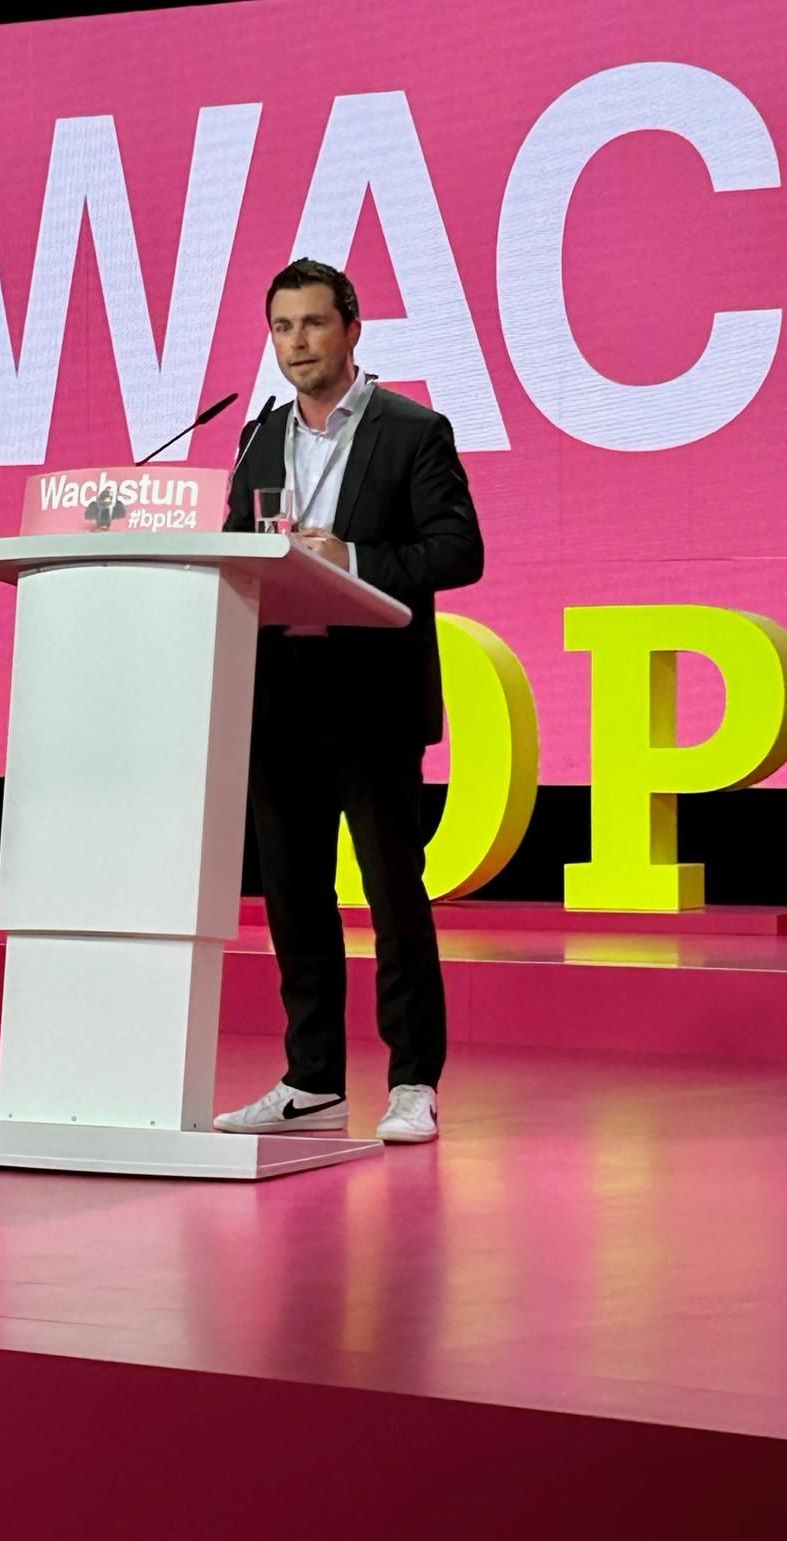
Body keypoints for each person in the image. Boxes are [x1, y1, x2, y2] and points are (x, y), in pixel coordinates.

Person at [214, 259, 483, 1143]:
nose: (298, 344)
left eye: (314, 324)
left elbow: (459, 550)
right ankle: (312, 1080)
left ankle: (413, 1081)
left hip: (371, 698)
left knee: (393, 894)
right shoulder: (259, 436)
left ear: (352, 329)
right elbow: (238, 547)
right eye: (282, 327)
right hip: (278, 696)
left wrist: (353, 559)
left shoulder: (413, 431)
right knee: (294, 896)